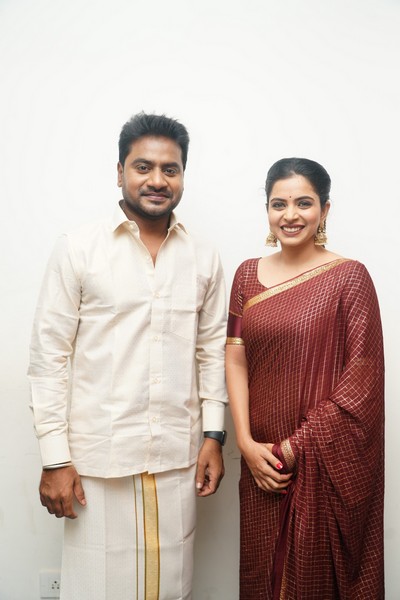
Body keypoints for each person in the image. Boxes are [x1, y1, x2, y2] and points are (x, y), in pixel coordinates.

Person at [28, 112, 228, 600]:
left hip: (176, 457)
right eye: (143, 167)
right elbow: (49, 357)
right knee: (97, 587)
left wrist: (213, 436)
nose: (157, 180)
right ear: (120, 172)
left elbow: (211, 351)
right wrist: (55, 459)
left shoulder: (203, 256)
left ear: (183, 176)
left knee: (170, 588)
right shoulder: (78, 249)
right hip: (98, 459)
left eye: (170, 169)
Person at [225, 157, 384, 599]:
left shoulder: (349, 277)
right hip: (260, 460)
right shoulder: (246, 275)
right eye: (279, 204)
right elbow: (235, 359)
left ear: (325, 210)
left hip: (317, 457)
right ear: (267, 209)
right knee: (263, 575)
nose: (290, 215)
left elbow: (363, 380)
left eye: (304, 203)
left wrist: (295, 448)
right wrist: (245, 444)